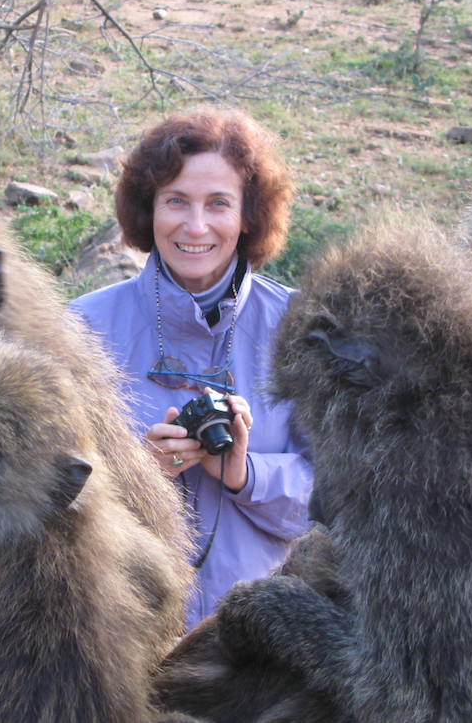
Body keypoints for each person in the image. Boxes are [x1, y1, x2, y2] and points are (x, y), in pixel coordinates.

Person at [71, 108, 313, 630]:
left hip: (260, 640)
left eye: (218, 203)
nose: (196, 225)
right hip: (119, 625)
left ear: (249, 215)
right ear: (148, 209)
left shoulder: (302, 330)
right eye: (175, 201)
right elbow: (42, 493)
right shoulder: (80, 329)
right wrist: (137, 473)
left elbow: (338, 494)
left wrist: (246, 475)